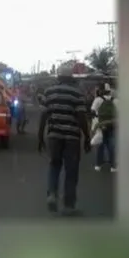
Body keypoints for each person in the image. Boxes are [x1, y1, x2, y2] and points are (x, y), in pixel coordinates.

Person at [37, 65, 91, 216]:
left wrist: (40, 136)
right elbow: (81, 117)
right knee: (71, 171)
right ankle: (69, 205)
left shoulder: (49, 92)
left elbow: (43, 116)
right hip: (72, 137)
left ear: (58, 77)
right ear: (71, 78)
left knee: (54, 166)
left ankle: (52, 195)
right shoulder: (77, 93)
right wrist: (87, 137)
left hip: (53, 136)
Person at [91, 86, 117, 172]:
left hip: (100, 125)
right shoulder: (116, 100)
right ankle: (113, 166)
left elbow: (92, 111)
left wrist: (96, 122)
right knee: (111, 145)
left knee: (100, 144)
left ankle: (98, 165)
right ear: (110, 91)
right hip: (112, 125)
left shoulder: (98, 100)